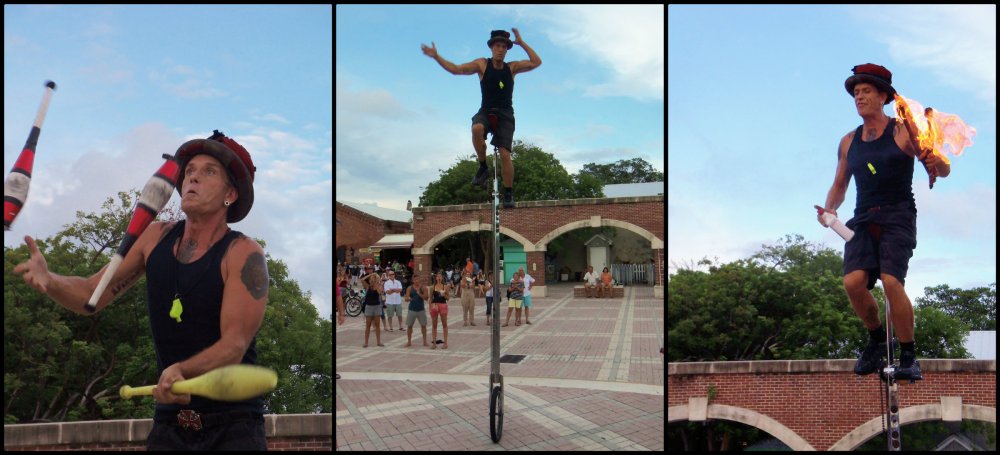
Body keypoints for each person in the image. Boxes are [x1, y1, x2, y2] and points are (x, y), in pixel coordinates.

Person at [14, 130, 268, 450]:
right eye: (189, 171)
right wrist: (50, 280)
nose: (193, 178)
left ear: (230, 193)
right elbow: (91, 294)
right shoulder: (153, 238)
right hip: (169, 426)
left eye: (208, 171)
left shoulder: (244, 253)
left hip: (233, 428)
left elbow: (234, 343)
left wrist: (182, 370)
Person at [821, 64, 950, 381]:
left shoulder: (903, 130)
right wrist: (828, 210)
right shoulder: (849, 141)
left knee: (892, 282)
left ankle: (908, 355)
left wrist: (939, 163)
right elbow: (840, 185)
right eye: (856, 93)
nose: (859, 97)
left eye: (865, 91)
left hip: (898, 214)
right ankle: (877, 340)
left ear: (883, 96)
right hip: (863, 217)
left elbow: (941, 167)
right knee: (853, 282)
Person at [421, 28, 542, 208]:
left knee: (505, 154)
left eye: (504, 46)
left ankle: (508, 193)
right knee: (476, 128)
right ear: (492, 47)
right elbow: (456, 69)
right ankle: (483, 166)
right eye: (497, 46)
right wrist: (437, 56)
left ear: (507, 49)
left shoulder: (512, 68)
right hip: (486, 110)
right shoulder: (482, 65)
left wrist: (522, 42)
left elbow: (536, 62)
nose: (500, 49)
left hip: (506, 114)